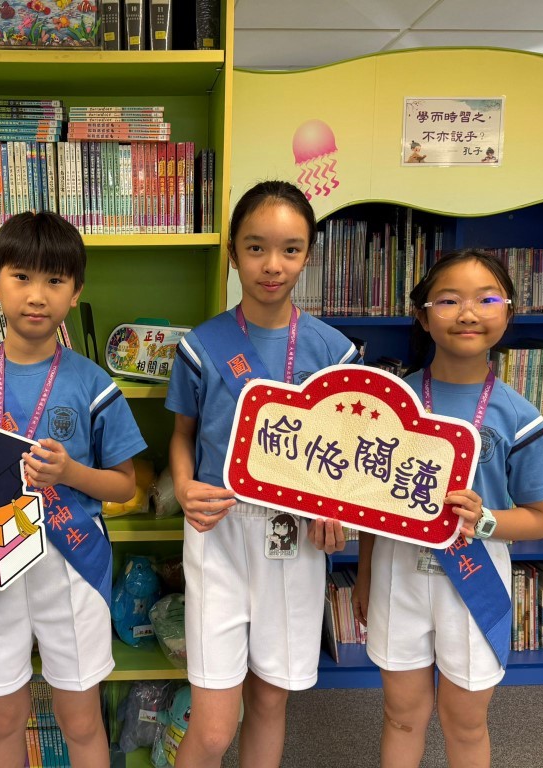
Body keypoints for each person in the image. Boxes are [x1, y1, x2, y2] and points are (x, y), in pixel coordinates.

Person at [0, 211, 147, 768]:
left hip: (71, 563)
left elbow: (124, 484)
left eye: (55, 280)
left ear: (76, 292)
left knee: (81, 718)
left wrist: (70, 473)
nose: (37, 295)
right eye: (21, 276)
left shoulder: (93, 383)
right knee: (3, 717)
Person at [165, 180, 359, 768]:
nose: (273, 265)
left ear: (307, 255)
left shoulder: (335, 352)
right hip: (218, 529)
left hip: (294, 535)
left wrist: (337, 509)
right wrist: (183, 487)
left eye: (290, 249)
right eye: (256, 248)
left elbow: (347, 457)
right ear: (232, 252)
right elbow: (183, 435)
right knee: (214, 727)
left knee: (271, 701)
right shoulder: (202, 346)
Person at [352, 249, 543, 768]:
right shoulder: (391, 402)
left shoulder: (519, 415)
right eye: (449, 301)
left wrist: (485, 518)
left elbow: (539, 519)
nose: (468, 313)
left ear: (508, 312)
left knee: (465, 723)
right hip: (398, 573)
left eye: (486, 300)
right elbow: (370, 506)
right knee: (401, 716)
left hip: (476, 577)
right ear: (423, 316)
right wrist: (365, 574)